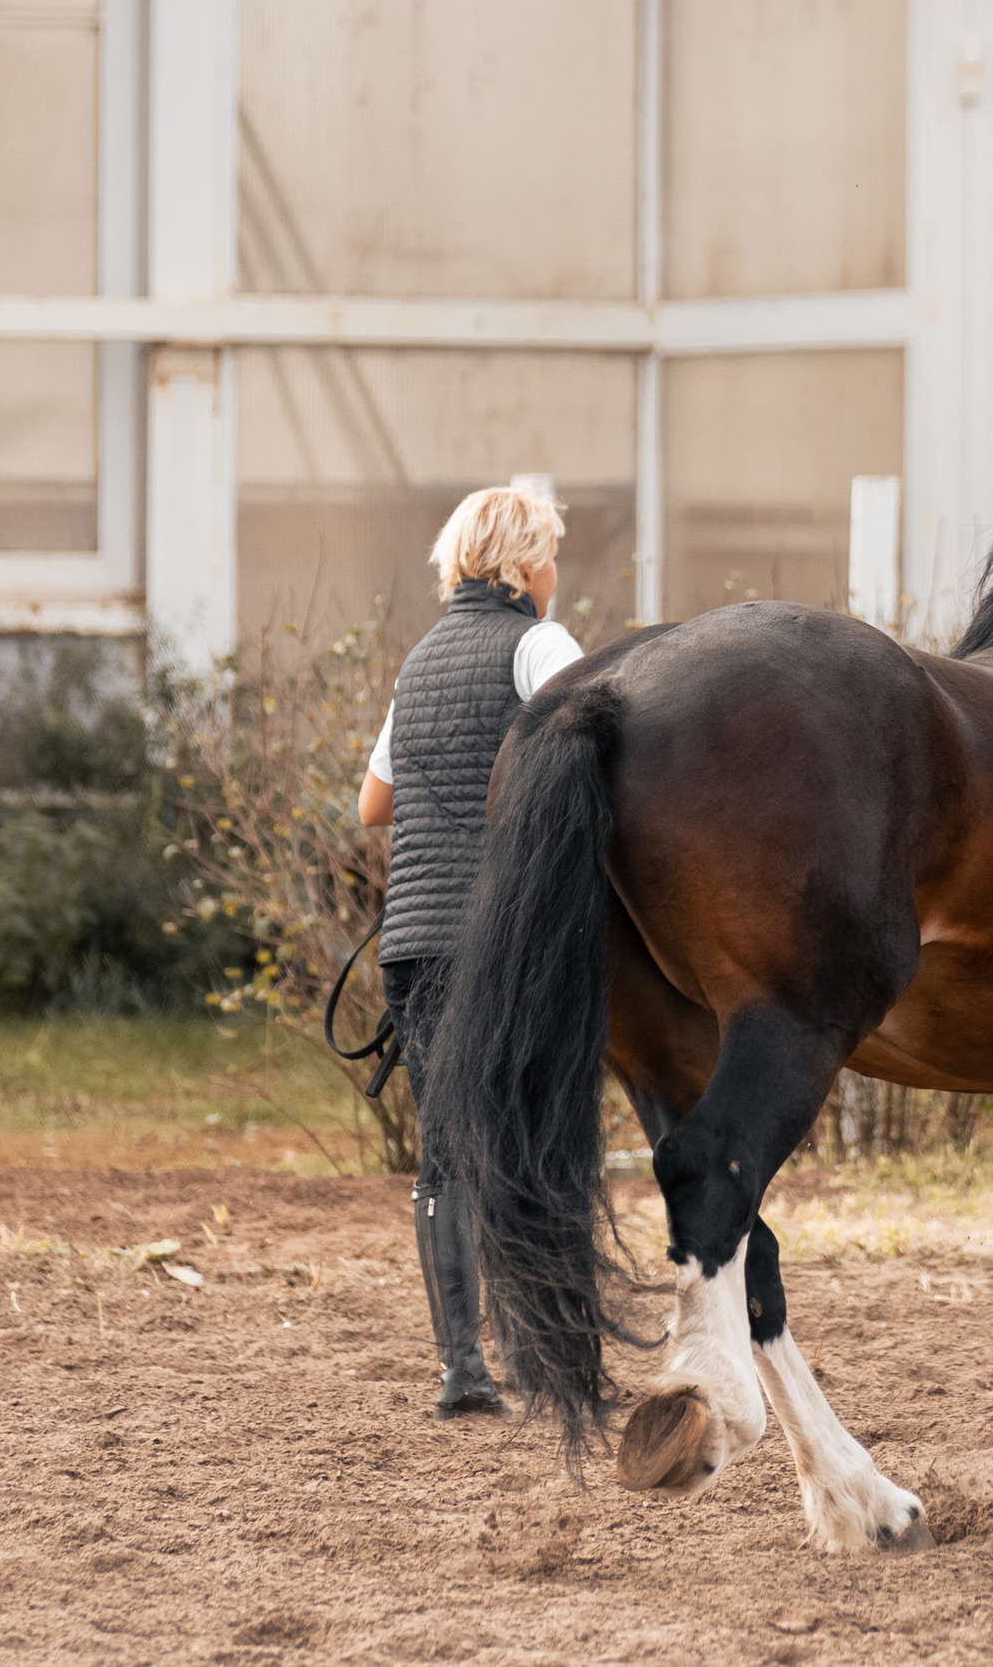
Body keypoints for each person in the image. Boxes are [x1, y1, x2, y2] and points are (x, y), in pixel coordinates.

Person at [358, 483, 584, 1416]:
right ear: (529, 563)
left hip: (414, 941)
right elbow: (599, 748)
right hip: (506, 937)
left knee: (447, 1153)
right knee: (532, 1134)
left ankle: (463, 1370)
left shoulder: (418, 664)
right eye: (553, 557)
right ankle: (539, 1351)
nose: (556, 574)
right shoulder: (539, 644)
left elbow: (371, 805)